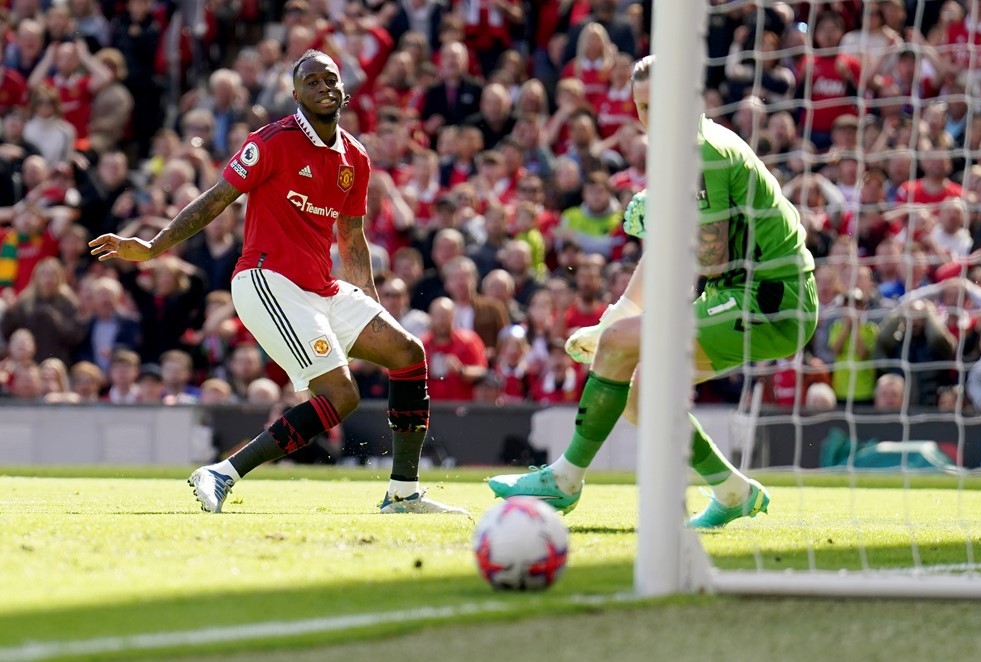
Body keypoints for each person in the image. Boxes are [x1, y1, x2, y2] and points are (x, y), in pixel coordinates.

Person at [89, 50, 466, 516]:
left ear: (344, 88)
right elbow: (216, 199)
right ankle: (221, 472)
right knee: (341, 395)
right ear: (296, 94)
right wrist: (153, 246)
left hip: (322, 288)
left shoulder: (356, 157)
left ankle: (403, 493)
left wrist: (371, 305)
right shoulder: (271, 141)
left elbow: (351, 236)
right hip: (267, 280)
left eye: (331, 79)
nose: (324, 86)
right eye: (312, 81)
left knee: (409, 354)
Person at [489, 55, 818, 528]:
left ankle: (564, 479)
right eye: (642, 106)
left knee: (623, 347)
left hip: (771, 296)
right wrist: (615, 315)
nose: (650, 116)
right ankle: (732, 491)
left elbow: (709, 258)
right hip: (737, 291)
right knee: (641, 392)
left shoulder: (702, 150)